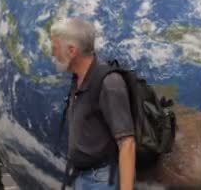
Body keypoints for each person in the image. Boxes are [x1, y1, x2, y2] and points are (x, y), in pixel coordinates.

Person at [50, 18, 136, 190]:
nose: (53, 54)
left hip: (100, 181)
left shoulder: (109, 82)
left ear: (72, 51)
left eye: (55, 48)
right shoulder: (78, 79)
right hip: (83, 178)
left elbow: (127, 143)